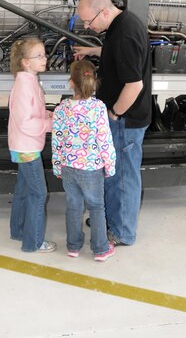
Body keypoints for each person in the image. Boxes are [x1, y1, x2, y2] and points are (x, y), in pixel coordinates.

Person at [73, 0, 152, 246]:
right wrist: (95, 51)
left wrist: (114, 113)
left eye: (89, 21)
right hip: (122, 118)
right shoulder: (120, 24)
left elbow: (134, 85)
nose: (88, 26)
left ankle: (121, 232)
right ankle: (111, 220)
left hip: (125, 120)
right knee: (113, 173)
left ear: (104, 11)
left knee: (123, 177)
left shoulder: (125, 35)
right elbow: (116, 53)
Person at [52, 59, 116, 262]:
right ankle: (100, 248)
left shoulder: (62, 108)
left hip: (69, 167)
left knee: (73, 206)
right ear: (93, 81)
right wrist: (110, 165)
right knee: (97, 207)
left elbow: (57, 139)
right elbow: (104, 140)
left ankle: (73, 246)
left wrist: (57, 165)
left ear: (71, 83)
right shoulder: (98, 108)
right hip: (91, 168)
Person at [8, 37, 56, 253]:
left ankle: (18, 231)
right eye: (39, 56)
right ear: (26, 62)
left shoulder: (30, 81)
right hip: (27, 148)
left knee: (23, 190)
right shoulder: (24, 87)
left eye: (44, 54)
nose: (45, 59)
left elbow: (32, 112)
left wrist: (49, 114)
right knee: (39, 193)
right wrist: (49, 124)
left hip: (25, 145)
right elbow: (26, 122)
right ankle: (33, 242)